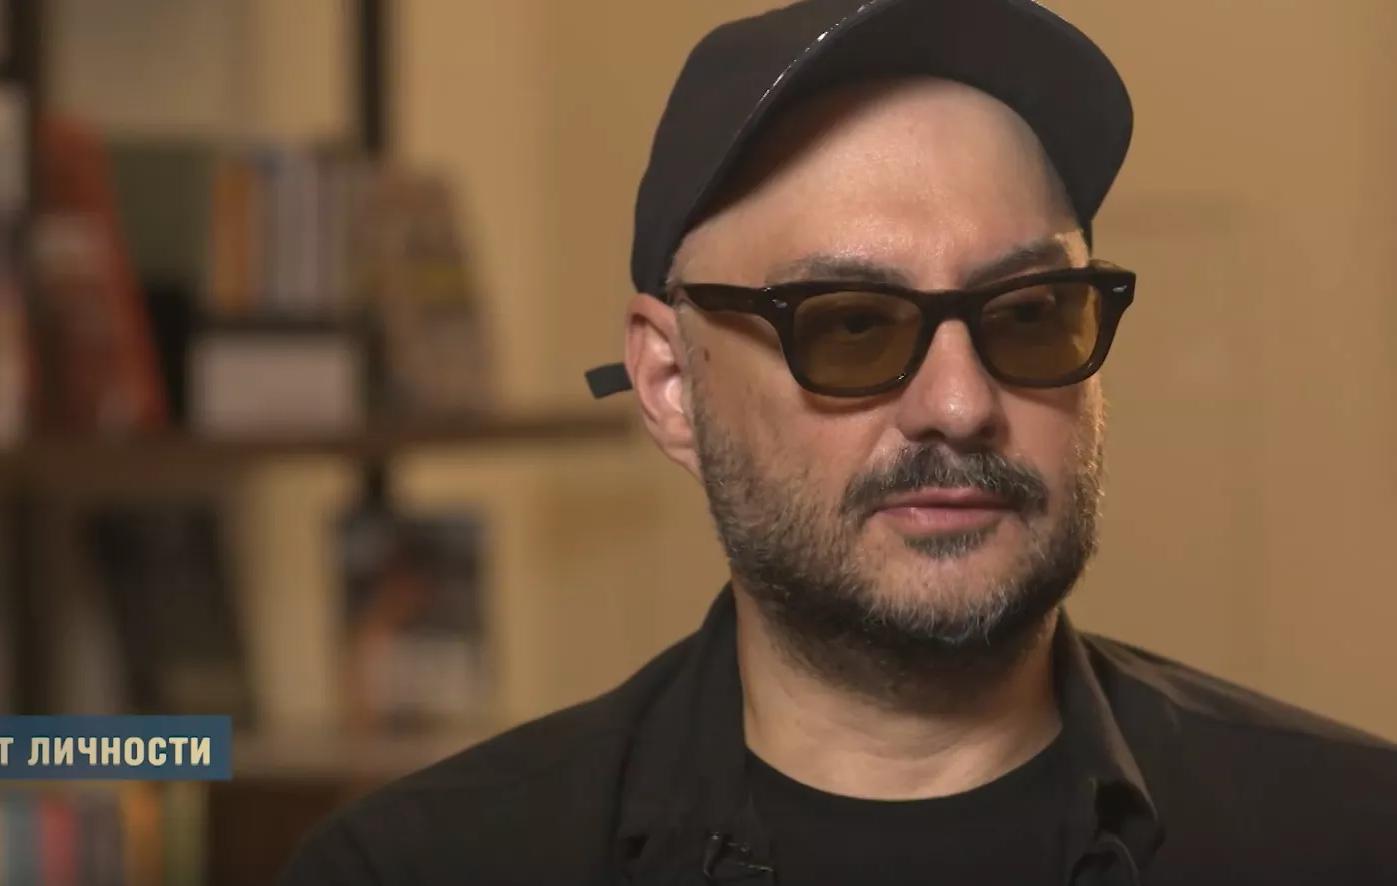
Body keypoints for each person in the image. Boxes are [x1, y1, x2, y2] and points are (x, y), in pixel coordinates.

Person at [278, 0, 1397, 883]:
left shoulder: (1348, 838)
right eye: (852, 327)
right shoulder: (427, 866)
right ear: (668, 384)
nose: (959, 404)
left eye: (1027, 314)